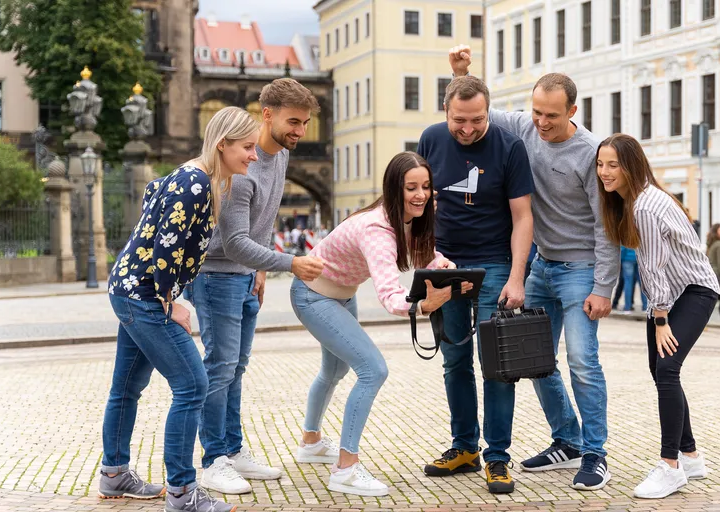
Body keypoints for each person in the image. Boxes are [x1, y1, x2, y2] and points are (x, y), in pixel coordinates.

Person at [448, 47, 619, 490]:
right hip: (540, 264)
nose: (541, 123)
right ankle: (567, 440)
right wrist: (462, 73)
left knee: (583, 360)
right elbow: (476, 110)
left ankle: (596, 453)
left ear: (573, 111)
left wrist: (603, 286)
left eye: (552, 116)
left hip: (580, 268)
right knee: (535, 359)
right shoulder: (524, 126)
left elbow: (607, 227)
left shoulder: (590, 153)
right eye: (537, 112)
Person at [100, 106, 259, 512]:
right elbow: (166, 245)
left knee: (127, 388)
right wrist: (171, 303)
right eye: (247, 147)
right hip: (146, 296)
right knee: (192, 386)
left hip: (128, 287)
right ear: (222, 145)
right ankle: (182, 494)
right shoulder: (196, 183)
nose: (254, 156)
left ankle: (114, 474)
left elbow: (151, 193)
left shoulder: (191, 175)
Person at [291, 151, 469, 496]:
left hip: (340, 295)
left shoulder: (407, 219)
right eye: (411, 188)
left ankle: (311, 442)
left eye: (426, 187)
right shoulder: (376, 228)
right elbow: (389, 296)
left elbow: (424, 254)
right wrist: (423, 306)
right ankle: (345, 469)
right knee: (373, 370)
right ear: (393, 190)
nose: (420, 195)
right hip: (313, 296)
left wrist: (448, 268)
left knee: (334, 371)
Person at [184, 79, 326, 495]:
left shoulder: (279, 155)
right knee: (220, 368)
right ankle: (213, 461)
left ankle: (231, 448)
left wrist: (261, 270)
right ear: (267, 114)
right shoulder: (240, 169)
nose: (300, 130)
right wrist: (291, 263)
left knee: (236, 369)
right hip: (216, 277)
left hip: (246, 276)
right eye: (293, 121)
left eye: (305, 122)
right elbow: (234, 242)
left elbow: (259, 227)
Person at [417, 76, 534, 494]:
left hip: (494, 265)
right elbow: (418, 206)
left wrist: (517, 277)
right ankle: (464, 446)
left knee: (497, 364)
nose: (467, 129)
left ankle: (498, 457)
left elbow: (523, 217)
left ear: (489, 111)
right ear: (445, 111)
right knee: (454, 360)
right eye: (459, 121)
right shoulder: (430, 140)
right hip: (444, 264)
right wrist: (423, 267)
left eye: (477, 120)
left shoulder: (509, 146)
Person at [595, 134, 720, 499]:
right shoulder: (631, 201)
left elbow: (653, 266)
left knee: (667, 369)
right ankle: (691, 456)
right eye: (601, 164)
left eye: (613, 165)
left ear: (631, 166)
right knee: (660, 370)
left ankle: (670, 465)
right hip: (672, 295)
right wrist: (659, 312)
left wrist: (661, 318)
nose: (604, 172)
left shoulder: (645, 206)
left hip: (695, 291)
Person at [612, 246, 648, 313]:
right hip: (639, 258)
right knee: (642, 283)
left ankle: (627, 308)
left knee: (628, 284)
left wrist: (620, 260)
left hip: (627, 258)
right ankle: (645, 307)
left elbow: (622, 248)